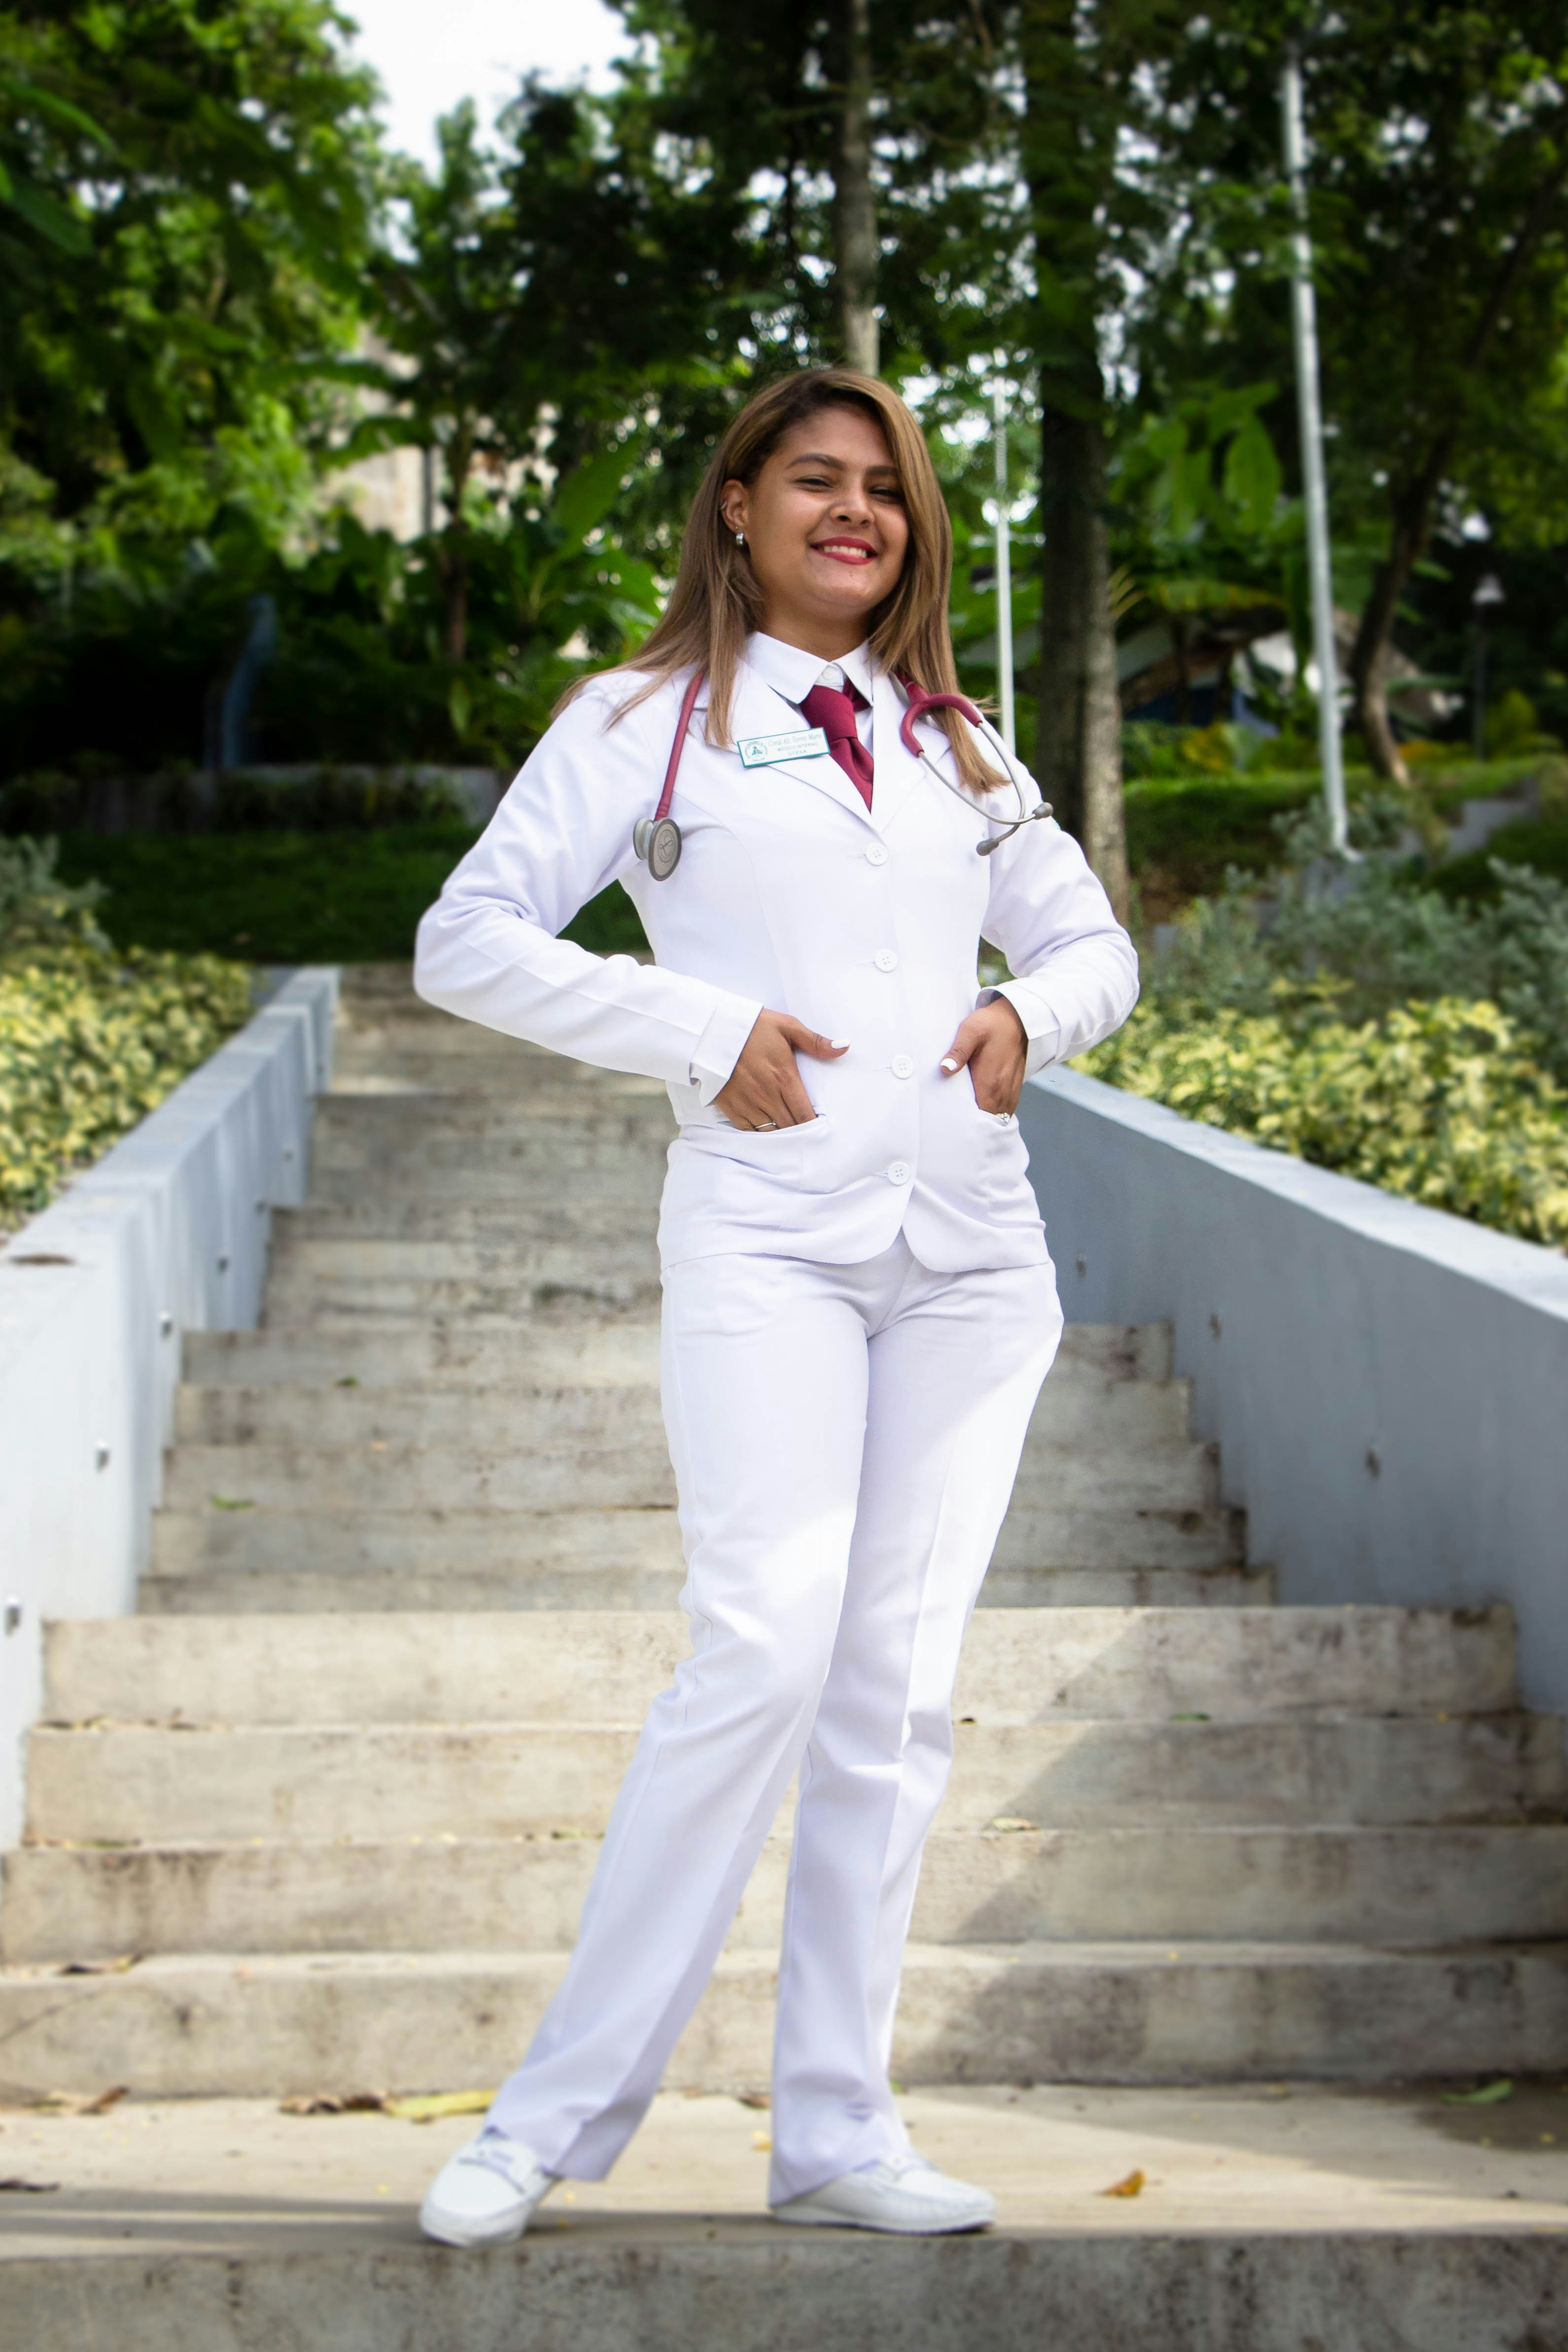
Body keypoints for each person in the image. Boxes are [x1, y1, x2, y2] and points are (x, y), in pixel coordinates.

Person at [412, 366, 1138, 2245]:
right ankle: (549, 2118)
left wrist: (1024, 1016)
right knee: (760, 1644)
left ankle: (833, 2125)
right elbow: (467, 938)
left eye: (882, 490)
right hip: (771, 1238)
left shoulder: (959, 739)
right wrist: (694, 1029)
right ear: (734, 505)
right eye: (812, 479)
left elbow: (1090, 943)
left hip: (973, 1260)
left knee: (895, 1690)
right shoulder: (644, 721)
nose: (853, 513)